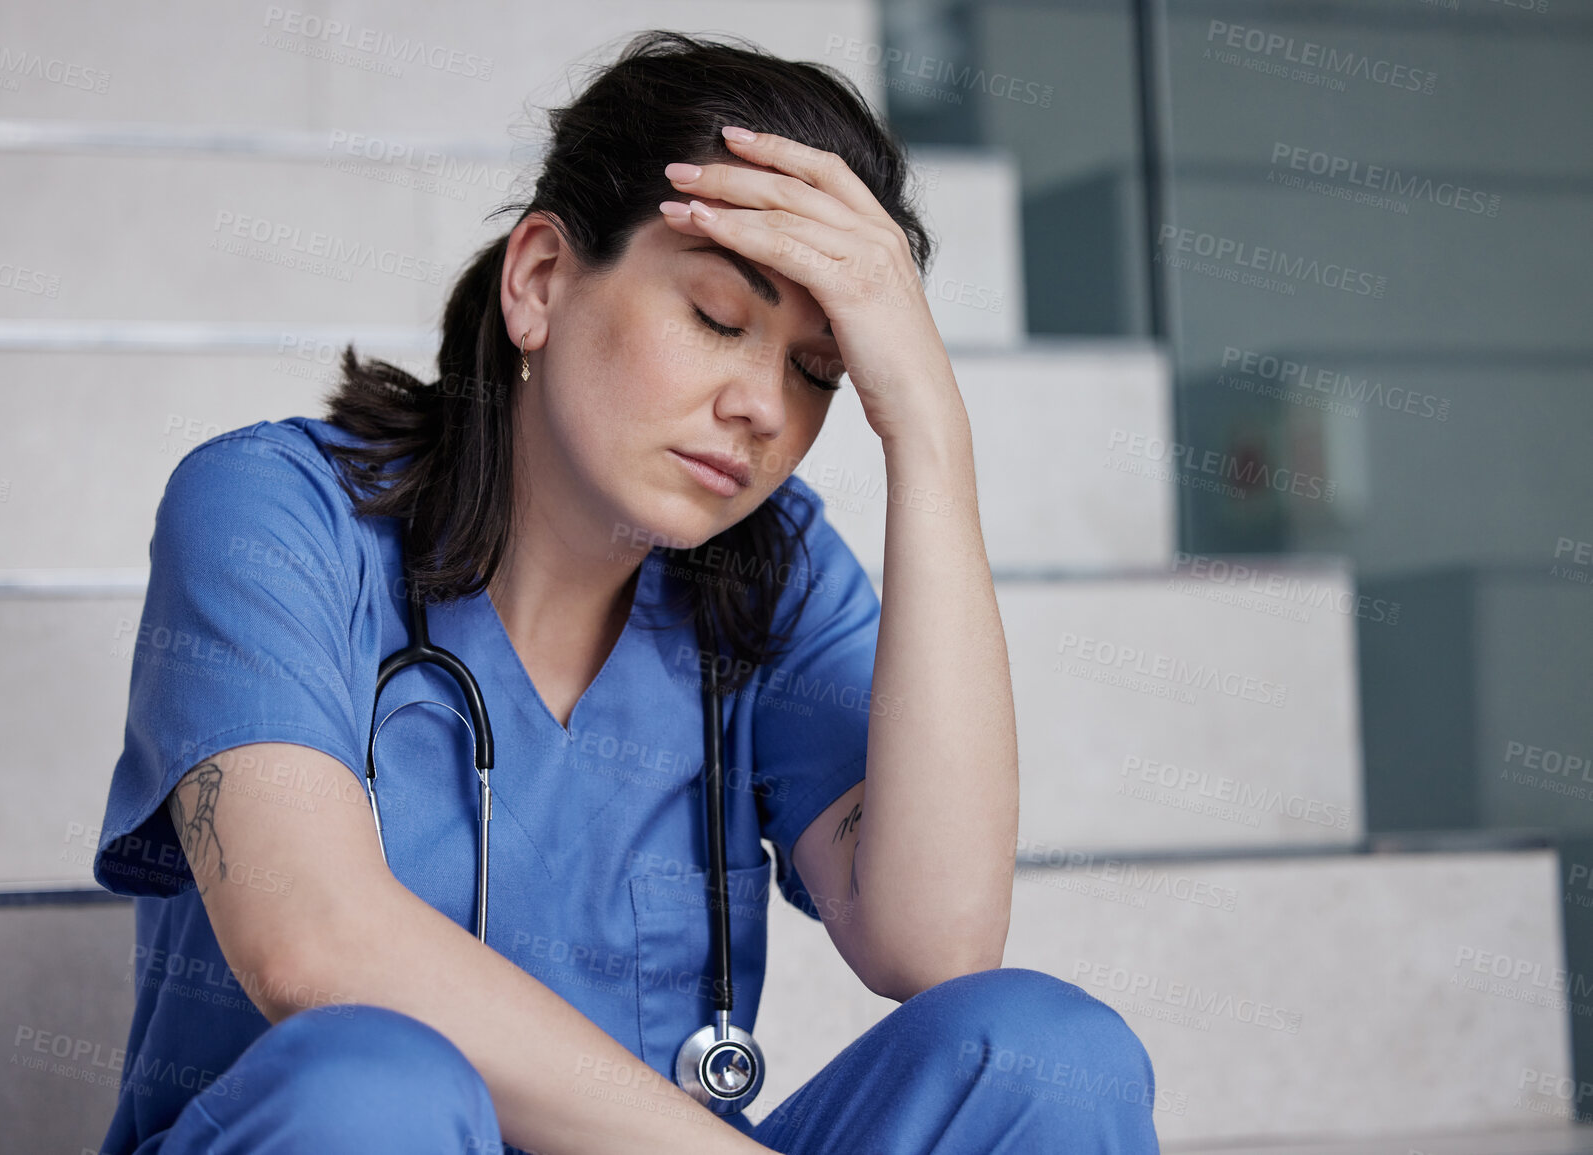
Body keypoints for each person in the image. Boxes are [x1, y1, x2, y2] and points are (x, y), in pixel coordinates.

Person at [91, 28, 1160, 1155]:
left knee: (1049, 1058)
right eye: (716, 318)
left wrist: (930, 439)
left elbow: (934, 941)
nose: (763, 407)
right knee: (374, 1087)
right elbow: (311, 941)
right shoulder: (274, 512)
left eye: (817, 373)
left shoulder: (773, 577)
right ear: (542, 280)